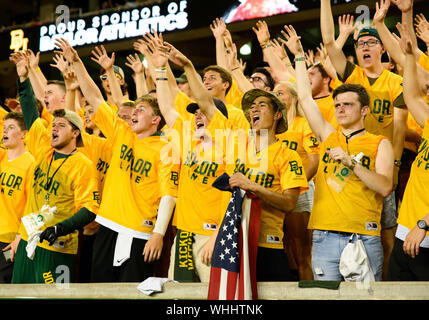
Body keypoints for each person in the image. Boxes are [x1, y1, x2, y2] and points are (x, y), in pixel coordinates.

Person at [55, 38, 177, 282]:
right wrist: (78, 62)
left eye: (141, 111)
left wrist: (158, 234)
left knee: (132, 295)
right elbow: (96, 98)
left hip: (140, 233)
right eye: (133, 111)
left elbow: (169, 195)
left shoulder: (166, 148)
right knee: (100, 292)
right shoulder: (122, 133)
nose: (134, 114)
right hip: (107, 225)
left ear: (156, 120)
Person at [283, 24, 394, 281]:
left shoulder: (379, 144)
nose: (341, 109)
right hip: (324, 235)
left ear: (364, 110)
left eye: (348, 105)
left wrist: (351, 163)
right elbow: (304, 98)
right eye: (338, 105)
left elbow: (385, 186)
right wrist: (299, 56)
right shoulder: (328, 135)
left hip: (363, 235)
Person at [320, 0, 408, 280]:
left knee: (386, 229)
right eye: (360, 44)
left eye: (371, 43)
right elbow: (328, 43)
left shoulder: (395, 81)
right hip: (346, 163)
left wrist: (392, 168)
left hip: (380, 165)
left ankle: (387, 284)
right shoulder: (352, 77)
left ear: (382, 48)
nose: (365, 47)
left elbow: (399, 128)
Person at [146, 37, 235, 283]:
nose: (197, 115)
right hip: (184, 233)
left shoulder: (227, 140)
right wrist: (161, 70)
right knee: (179, 296)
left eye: (202, 112)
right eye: (193, 112)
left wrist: (187, 66)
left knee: (216, 296)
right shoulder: (187, 139)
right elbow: (166, 107)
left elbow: (233, 199)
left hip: (213, 234)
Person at [10, 52, 100, 283]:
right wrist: (23, 78)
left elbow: (89, 208)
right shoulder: (43, 149)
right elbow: (30, 112)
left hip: (57, 247)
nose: (53, 129)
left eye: (61, 125)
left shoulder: (83, 164)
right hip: (27, 239)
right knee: (17, 297)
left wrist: (60, 228)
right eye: (53, 125)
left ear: (75, 133)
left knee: (54, 298)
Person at [230, 88, 309, 281]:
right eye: (252, 106)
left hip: (267, 244)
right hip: (234, 241)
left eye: (262, 105)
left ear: (277, 115)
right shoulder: (237, 148)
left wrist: (253, 186)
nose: (254, 109)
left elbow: (290, 203)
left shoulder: (287, 154)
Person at [388, 21, 429, 280]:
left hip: (423, 234)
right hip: (406, 233)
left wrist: (424, 224)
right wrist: (411, 56)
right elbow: (412, 96)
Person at [273, 81, 319, 280]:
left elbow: (314, 159)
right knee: (286, 247)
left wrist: (296, 184)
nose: (276, 96)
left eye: (281, 93)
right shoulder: (273, 127)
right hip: (277, 192)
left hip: (300, 189)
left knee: (303, 250)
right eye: (273, 93)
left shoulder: (303, 123)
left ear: (293, 98)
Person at [0, 112, 35, 283]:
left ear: (24, 134)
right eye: (4, 128)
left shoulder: (31, 165)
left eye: (11, 127)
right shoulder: (1, 157)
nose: (5, 131)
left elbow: (33, 208)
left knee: (4, 287)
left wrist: (19, 240)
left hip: (9, 242)